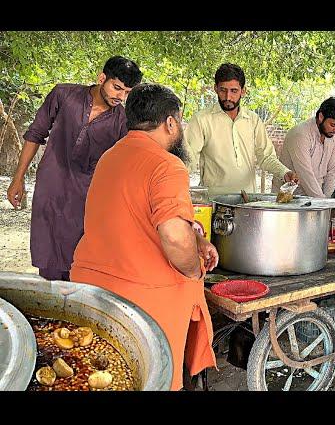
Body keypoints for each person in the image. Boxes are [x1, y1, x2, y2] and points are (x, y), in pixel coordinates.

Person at [70, 83, 217, 391]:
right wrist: (193, 270)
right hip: (144, 302)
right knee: (153, 379)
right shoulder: (167, 164)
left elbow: (132, 216)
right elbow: (174, 237)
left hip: (92, 290)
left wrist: (197, 238)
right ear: (171, 122)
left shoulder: (109, 157)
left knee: (105, 379)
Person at [6, 56, 142, 281]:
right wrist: (18, 178)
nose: (120, 96)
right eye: (117, 88)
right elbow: (35, 134)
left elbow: (124, 165)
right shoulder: (63, 95)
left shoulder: (122, 121)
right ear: (102, 78)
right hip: (50, 187)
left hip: (87, 198)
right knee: (48, 260)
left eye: (127, 92)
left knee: (79, 263)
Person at [185, 63, 297, 195]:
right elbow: (188, 159)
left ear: (243, 91)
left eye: (234, 91)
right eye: (223, 90)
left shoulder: (253, 120)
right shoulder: (201, 120)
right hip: (214, 203)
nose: (228, 97)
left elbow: (266, 157)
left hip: (247, 201)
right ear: (215, 88)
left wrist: (285, 172)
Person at [271, 97, 335, 198]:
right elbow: (305, 175)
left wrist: (326, 201)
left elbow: (332, 171)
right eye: (333, 125)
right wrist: (322, 203)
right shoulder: (300, 134)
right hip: (288, 200)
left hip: (317, 199)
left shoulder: (332, 136)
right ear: (321, 117)